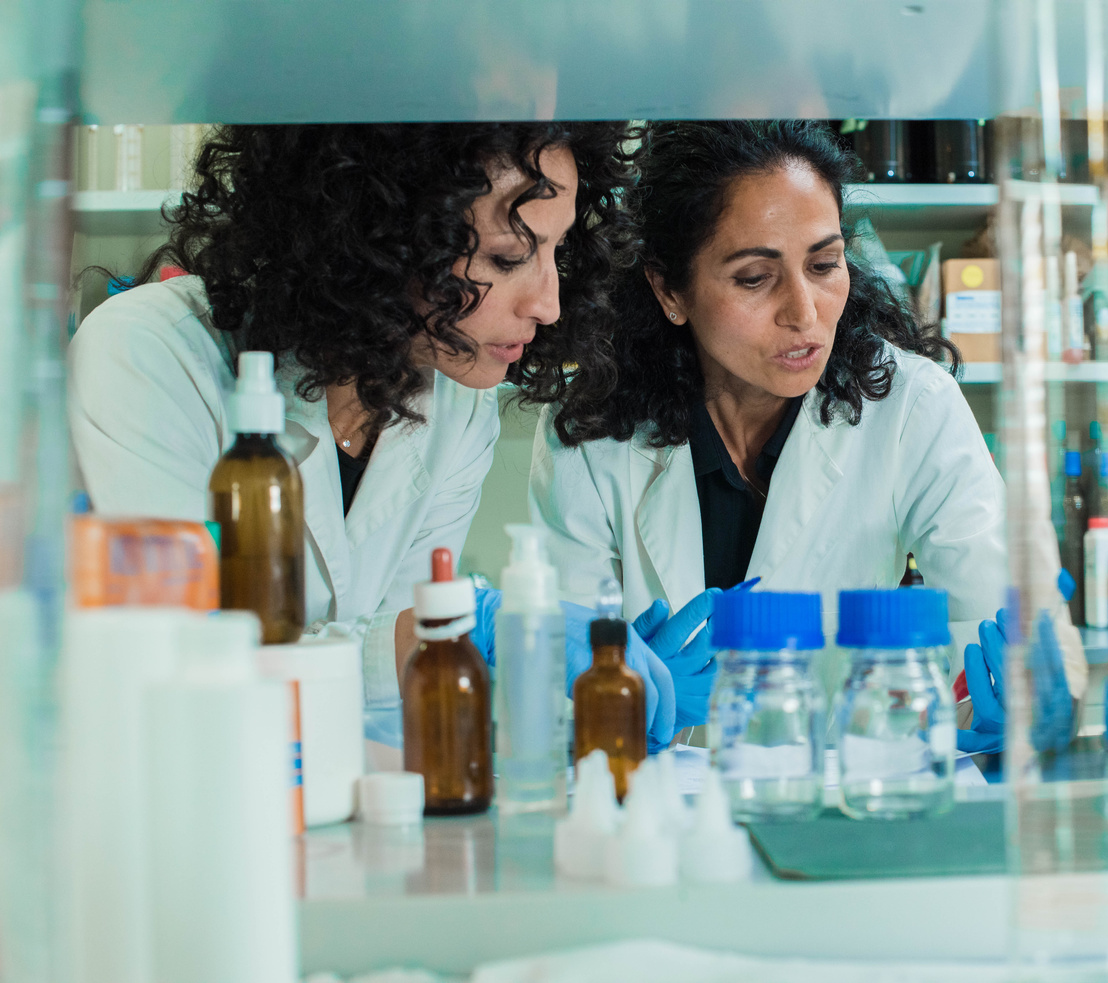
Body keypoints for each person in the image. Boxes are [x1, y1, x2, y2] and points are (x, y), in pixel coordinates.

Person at [69, 122, 686, 746]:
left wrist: (474, 640)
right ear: (381, 234)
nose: (549, 304)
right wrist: (469, 626)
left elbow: (382, 665)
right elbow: (186, 668)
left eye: (558, 253)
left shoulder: (455, 401)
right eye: (507, 258)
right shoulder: (151, 355)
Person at [528, 120, 1086, 744]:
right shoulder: (593, 434)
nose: (804, 312)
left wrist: (1009, 708)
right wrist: (613, 712)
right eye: (753, 277)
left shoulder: (910, 406)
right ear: (669, 290)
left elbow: (1007, 626)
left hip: (840, 803)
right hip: (658, 814)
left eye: (824, 264)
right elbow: (555, 688)